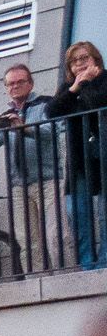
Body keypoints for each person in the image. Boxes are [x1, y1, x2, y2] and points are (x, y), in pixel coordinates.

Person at [0, 62, 59, 269]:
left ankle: (65, 277)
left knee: (56, 234)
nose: (15, 87)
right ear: (6, 88)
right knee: (27, 240)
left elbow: (50, 133)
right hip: (19, 184)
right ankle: (35, 282)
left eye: (20, 82)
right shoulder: (5, 115)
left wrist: (23, 128)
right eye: (10, 84)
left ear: (30, 83)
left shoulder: (45, 105)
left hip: (49, 178)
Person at [50, 43, 107, 271]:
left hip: (104, 158)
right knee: (79, 217)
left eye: (84, 58)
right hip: (79, 161)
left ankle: (104, 264)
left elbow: (97, 103)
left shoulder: (104, 80)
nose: (79, 64)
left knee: (104, 216)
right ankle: (88, 266)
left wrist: (85, 83)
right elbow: (52, 111)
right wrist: (74, 87)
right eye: (74, 61)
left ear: (95, 58)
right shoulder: (69, 87)